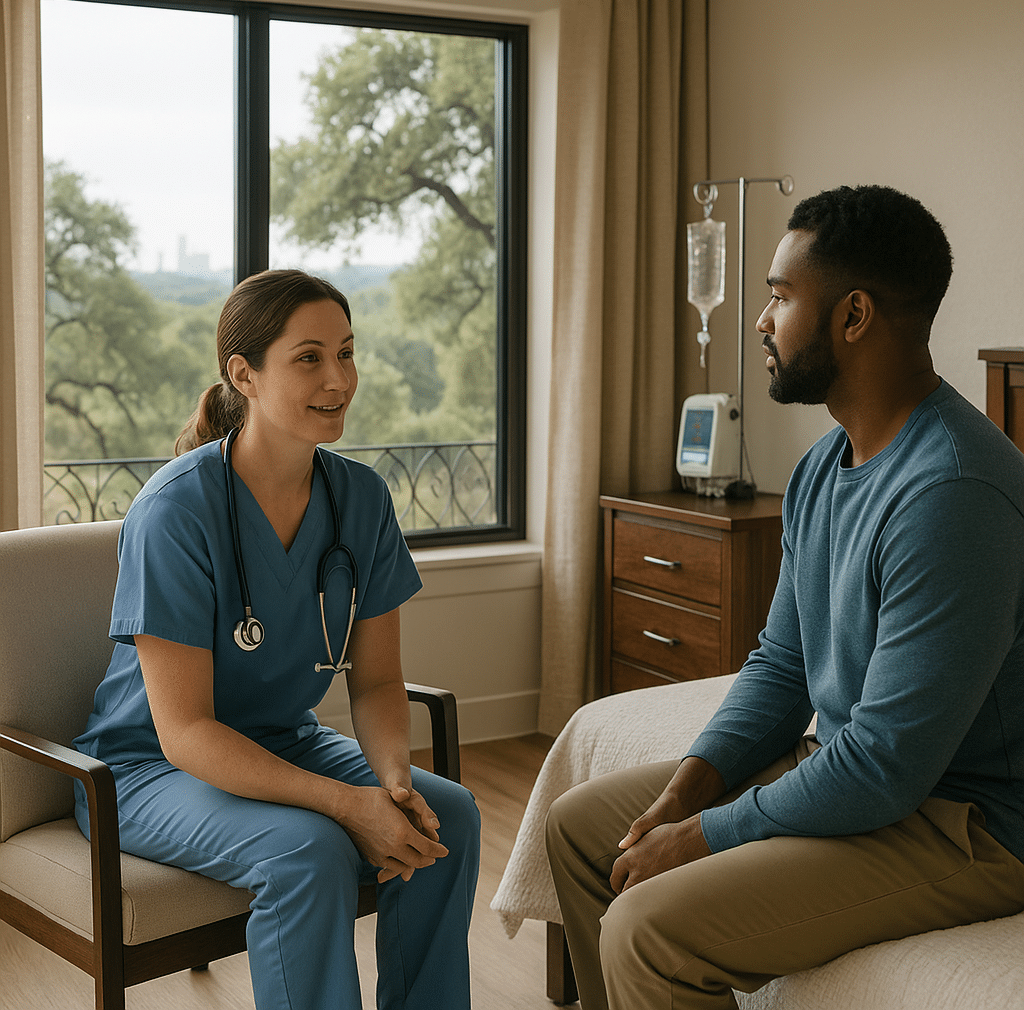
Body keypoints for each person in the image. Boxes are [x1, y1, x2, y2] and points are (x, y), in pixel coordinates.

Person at [546, 185, 1024, 1010]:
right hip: (862, 774)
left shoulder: (955, 491)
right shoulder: (822, 466)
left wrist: (701, 837)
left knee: (647, 929)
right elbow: (782, 665)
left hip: (966, 821)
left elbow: (885, 766)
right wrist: (683, 792)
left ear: (854, 315)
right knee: (581, 827)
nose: (762, 321)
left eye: (778, 295)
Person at [73, 268, 481, 1010]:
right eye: (309, 357)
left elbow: (378, 681)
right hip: (149, 770)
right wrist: (341, 804)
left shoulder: (360, 497)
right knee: (308, 850)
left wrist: (389, 781)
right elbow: (187, 732)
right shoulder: (176, 512)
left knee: (444, 813)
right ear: (244, 374)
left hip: (280, 741)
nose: (338, 379)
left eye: (348, 354)